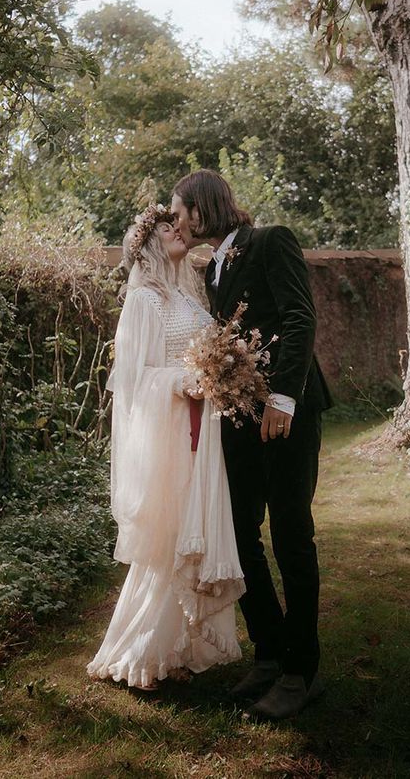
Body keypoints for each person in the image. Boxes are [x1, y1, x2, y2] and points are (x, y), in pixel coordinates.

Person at [171, 170, 333, 720]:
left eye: (180, 211)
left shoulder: (270, 241)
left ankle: (301, 671)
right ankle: (269, 651)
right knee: (239, 535)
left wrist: (283, 397)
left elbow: (299, 316)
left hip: (287, 414)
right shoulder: (211, 270)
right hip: (239, 421)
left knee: (292, 538)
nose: (177, 222)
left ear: (202, 207)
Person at [87, 203, 245, 691]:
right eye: (165, 227)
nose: (177, 229)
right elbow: (134, 381)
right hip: (173, 432)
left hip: (206, 431)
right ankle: (145, 647)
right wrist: (185, 380)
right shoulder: (145, 301)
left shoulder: (191, 297)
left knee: (194, 530)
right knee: (171, 537)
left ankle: (187, 645)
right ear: (148, 243)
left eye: (176, 222)